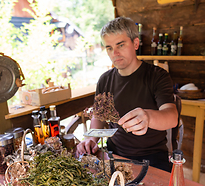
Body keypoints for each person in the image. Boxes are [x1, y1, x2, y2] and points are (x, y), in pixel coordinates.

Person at [76, 17, 178, 172]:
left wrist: (148, 117)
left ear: (135, 44)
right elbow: (99, 116)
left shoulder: (157, 76)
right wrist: (91, 139)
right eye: (109, 48)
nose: (115, 53)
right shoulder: (105, 79)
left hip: (152, 156)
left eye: (120, 45)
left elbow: (171, 117)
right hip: (114, 153)